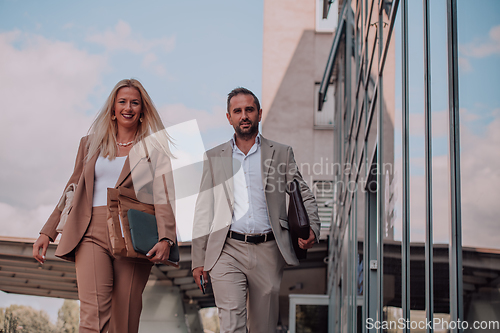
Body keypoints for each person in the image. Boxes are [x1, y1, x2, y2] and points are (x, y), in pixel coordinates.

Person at [32, 79, 176, 333]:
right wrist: (48, 231)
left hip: (132, 234)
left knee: (125, 316)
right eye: (122, 102)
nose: (128, 107)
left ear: (142, 110)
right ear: (112, 109)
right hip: (89, 230)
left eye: (134, 102)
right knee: (92, 314)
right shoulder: (90, 144)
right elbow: (72, 188)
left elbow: (163, 195)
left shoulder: (154, 149)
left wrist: (166, 237)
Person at [191, 87, 321, 332]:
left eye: (249, 109)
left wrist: (313, 226)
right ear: (228, 118)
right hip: (226, 250)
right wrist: (198, 260)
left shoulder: (281, 153)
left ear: (259, 114)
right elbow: (203, 210)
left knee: (264, 326)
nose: (244, 115)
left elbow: (302, 192)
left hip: (269, 250)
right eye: (237, 111)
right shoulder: (214, 157)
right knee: (232, 324)